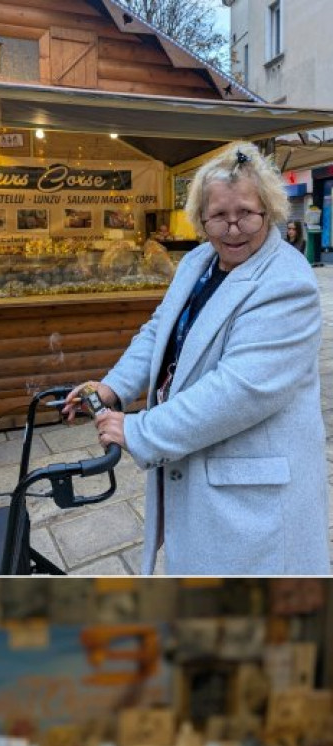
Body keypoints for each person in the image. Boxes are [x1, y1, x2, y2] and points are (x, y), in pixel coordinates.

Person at [63, 141, 329, 576]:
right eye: (218, 216)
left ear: (270, 209)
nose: (232, 228)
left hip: (252, 496)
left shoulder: (286, 282)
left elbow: (239, 391)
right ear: (201, 218)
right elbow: (159, 330)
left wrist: (139, 429)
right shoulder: (200, 261)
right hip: (208, 477)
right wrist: (113, 387)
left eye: (246, 212)